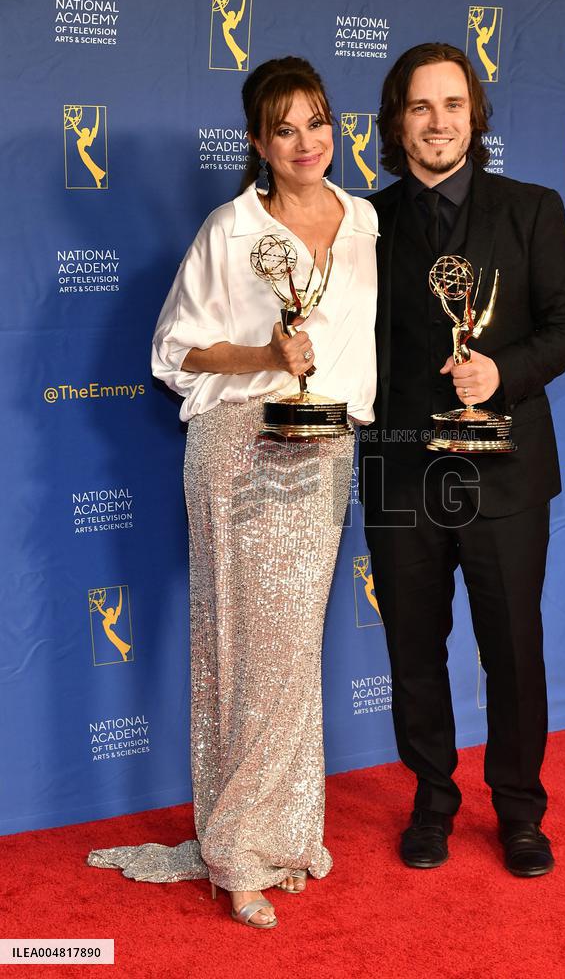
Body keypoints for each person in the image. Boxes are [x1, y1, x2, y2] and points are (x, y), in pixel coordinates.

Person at [88, 57, 377, 928]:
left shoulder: (364, 219)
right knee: (242, 646)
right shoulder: (230, 227)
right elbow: (174, 349)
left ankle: (284, 833)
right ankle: (240, 852)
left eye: (317, 122)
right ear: (256, 141)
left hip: (325, 445)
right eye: (284, 128)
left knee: (292, 653)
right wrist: (264, 355)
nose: (305, 142)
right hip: (241, 444)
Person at [360, 43, 565, 877]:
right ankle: (432, 801)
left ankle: (521, 812)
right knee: (412, 653)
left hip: (506, 472)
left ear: (475, 115)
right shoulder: (361, 224)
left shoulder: (532, 209)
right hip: (399, 473)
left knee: (513, 652)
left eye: (452, 105)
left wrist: (503, 372)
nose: (438, 122)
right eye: (420, 107)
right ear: (396, 122)